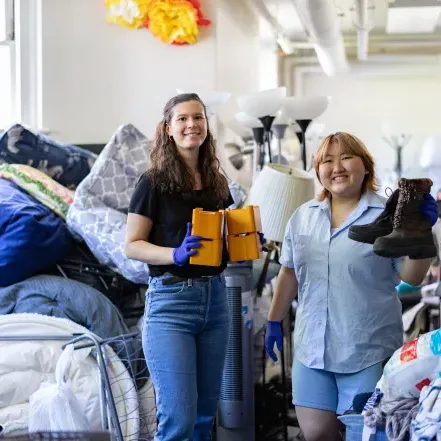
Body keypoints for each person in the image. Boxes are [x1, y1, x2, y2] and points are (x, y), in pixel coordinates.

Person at [264, 132, 439, 441]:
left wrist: (421, 236)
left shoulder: (388, 216)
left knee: (363, 435)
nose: (337, 167)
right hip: (311, 348)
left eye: (346, 157)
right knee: (316, 434)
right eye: (327, 161)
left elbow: (412, 277)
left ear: (365, 166)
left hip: (365, 348)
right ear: (318, 171)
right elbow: (289, 273)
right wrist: (273, 320)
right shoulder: (302, 217)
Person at [125, 93, 234, 441]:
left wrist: (245, 241)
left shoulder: (216, 181)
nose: (192, 125)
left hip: (216, 300)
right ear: (168, 129)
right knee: (178, 422)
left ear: (206, 124)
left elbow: (224, 234)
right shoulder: (153, 182)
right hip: (171, 302)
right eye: (183, 119)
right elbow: (132, 245)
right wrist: (175, 254)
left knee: (204, 419)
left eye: (198, 117)